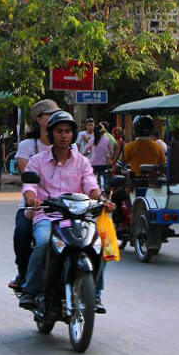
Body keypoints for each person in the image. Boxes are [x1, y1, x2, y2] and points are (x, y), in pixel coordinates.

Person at [18, 110, 114, 313]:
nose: (64, 135)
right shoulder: (37, 160)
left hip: (78, 216)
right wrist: (31, 200)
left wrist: (103, 200)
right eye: (60, 131)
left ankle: (95, 295)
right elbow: (29, 188)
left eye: (68, 131)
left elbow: (91, 186)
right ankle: (31, 289)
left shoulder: (82, 161)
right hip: (47, 215)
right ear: (51, 134)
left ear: (73, 134)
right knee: (43, 243)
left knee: (100, 245)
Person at [9, 98, 59, 291]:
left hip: (63, 206)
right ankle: (24, 273)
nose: (64, 136)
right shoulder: (27, 146)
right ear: (39, 120)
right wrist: (33, 200)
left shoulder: (71, 148)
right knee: (22, 233)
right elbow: (28, 179)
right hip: (35, 205)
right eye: (50, 115)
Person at [84, 122, 116, 191]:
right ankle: (106, 190)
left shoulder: (93, 139)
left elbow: (85, 149)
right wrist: (111, 155)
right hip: (104, 163)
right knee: (106, 179)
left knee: (93, 179)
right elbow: (111, 152)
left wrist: (85, 154)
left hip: (93, 163)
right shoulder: (107, 139)